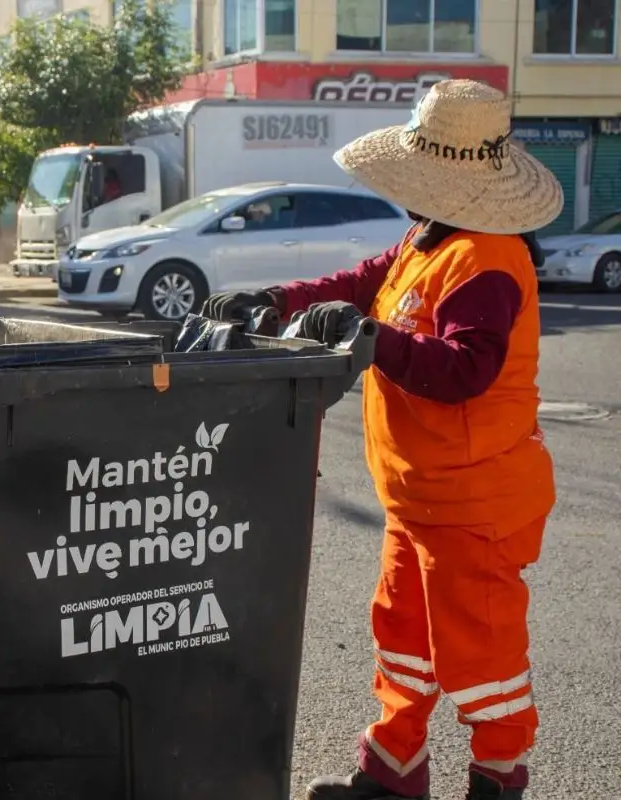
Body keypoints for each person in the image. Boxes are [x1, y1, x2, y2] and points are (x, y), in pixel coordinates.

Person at [202, 80, 558, 800]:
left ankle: (498, 779)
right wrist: (278, 300)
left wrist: (372, 339)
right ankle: (392, 770)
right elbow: (362, 283)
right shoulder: (430, 238)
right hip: (420, 495)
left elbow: (465, 371)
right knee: (404, 642)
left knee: (482, 657)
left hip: (475, 504)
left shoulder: (487, 259)